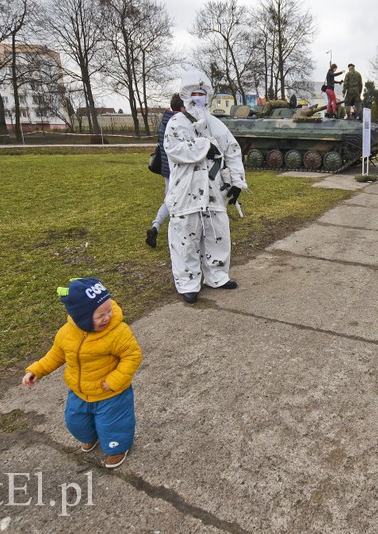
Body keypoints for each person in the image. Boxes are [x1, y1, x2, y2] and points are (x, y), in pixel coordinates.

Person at [22, 278, 142, 469]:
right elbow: (56, 354)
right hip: (79, 391)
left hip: (111, 393)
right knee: (75, 422)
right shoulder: (66, 333)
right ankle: (90, 436)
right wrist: (37, 370)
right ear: (81, 317)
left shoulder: (117, 332)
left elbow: (132, 355)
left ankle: (116, 448)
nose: (107, 317)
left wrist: (116, 380)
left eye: (109, 310)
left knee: (113, 425)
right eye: (100, 315)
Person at [163, 80, 248, 304]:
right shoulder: (176, 123)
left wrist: (237, 182)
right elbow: (175, 150)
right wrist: (204, 146)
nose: (197, 97)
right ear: (185, 96)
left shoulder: (216, 124)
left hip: (213, 191)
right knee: (185, 237)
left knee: (217, 233)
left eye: (201, 93)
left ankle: (217, 275)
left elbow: (232, 150)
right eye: (193, 93)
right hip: (186, 191)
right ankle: (188, 282)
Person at [146, 93, 185, 248]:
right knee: (177, 201)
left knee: (168, 199)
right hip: (178, 169)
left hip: (166, 169)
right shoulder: (179, 123)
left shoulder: (164, 121)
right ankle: (171, 231)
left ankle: (155, 226)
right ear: (182, 107)